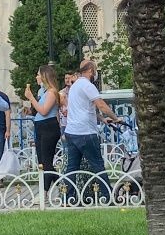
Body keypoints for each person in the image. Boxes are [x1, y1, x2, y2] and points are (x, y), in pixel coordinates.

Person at [61, 59, 118, 201]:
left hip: (72, 132)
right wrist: (115, 118)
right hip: (86, 132)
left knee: (72, 167)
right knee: (98, 165)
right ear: (91, 71)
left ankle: (68, 198)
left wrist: (103, 119)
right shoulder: (88, 86)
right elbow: (101, 105)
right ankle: (108, 196)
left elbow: (86, 108)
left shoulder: (74, 87)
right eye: (95, 70)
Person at [23, 65, 62, 193]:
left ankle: (44, 192)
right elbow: (38, 110)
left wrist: (31, 98)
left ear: (45, 76)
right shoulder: (42, 92)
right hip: (40, 126)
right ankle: (63, 186)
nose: (36, 77)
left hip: (49, 127)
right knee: (42, 162)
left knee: (47, 161)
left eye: (38, 74)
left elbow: (45, 111)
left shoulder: (52, 92)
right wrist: (30, 110)